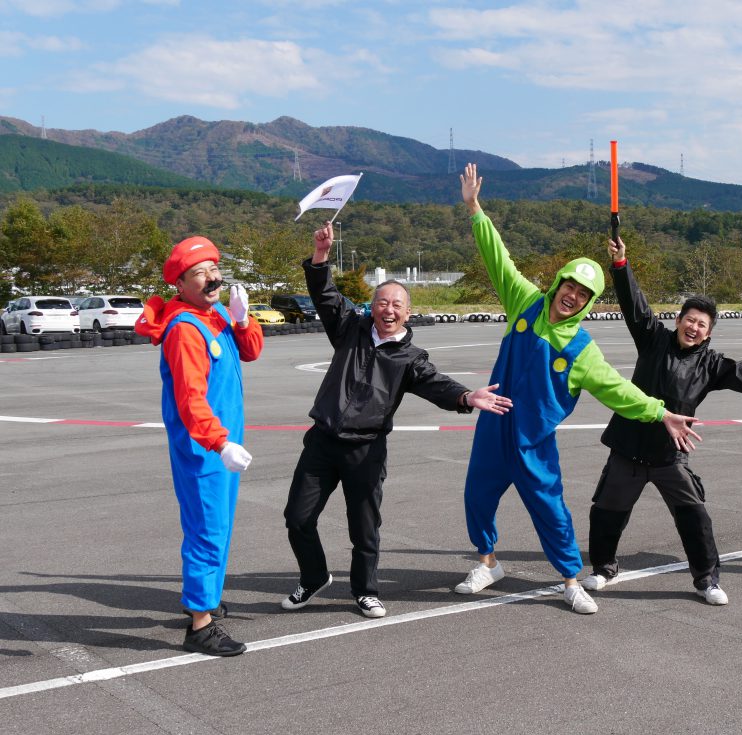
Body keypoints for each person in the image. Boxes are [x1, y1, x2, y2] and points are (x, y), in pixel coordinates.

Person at [453, 163, 701, 614]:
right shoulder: (524, 301)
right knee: (477, 498)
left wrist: (661, 413)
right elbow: (498, 258)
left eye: (583, 294)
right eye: (570, 285)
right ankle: (488, 563)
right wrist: (475, 210)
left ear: (588, 303)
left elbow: (619, 391)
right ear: (559, 283)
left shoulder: (582, 349)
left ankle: (570, 580)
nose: (572, 295)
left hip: (533, 442)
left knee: (551, 511)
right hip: (493, 427)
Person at [280, 221, 513, 619]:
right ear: (372, 306)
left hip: (366, 450)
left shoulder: (410, 358)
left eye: (397, 305)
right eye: (382, 302)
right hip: (322, 441)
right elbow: (325, 295)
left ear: (407, 313)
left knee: (364, 528)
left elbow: (436, 384)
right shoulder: (349, 329)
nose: (388, 310)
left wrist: (466, 396)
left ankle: (365, 591)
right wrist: (320, 256)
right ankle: (314, 576)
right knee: (297, 519)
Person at [580, 237, 742, 605]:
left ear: (708, 333)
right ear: (677, 320)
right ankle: (603, 568)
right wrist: (620, 265)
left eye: (702, 324)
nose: (694, 327)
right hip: (627, 448)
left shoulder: (711, 365)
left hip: (670, 455)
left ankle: (707, 580)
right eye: (690, 320)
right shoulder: (652, 340)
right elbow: (635, 304)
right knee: (606, 513)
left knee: (694, 517)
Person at [135, 236, 264, 657]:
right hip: (204, 448)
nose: (211, 278)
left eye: (213, 269)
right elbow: (190, 400)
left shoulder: (217, 314)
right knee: (206, 530)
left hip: (222, 444)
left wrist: (242, 320)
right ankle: (200, 625)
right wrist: (220, 442)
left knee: (219, 526)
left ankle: (206, 598)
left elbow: (251, 352)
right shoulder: (185, 330)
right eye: (199, 273)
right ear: (180, 284)